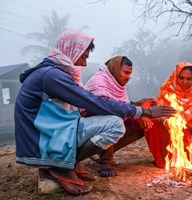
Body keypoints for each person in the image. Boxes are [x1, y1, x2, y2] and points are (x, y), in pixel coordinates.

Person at [14, 30, 176, 195]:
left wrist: (137, 108)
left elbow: (106, 104)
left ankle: (69, 163)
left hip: (57, 128)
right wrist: (145, 111)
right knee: (115, 124)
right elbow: (94, 103)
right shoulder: (52, 75)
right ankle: (61, 167)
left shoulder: (55, 73)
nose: (84, 64)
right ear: (71, 51)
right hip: (42, 137)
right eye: (83, 57)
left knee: (120, 120)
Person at [82, 55, 155, 177]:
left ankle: (101, 150)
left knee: (142, 124)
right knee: (113, 120)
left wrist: (138, 105)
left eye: (130, 74)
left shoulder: (117, 84)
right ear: (115, 69)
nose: (128, 77)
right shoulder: (99, 81)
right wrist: (139, 112)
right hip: (87, 124)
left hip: (108, 120)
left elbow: (121, 105)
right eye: (126, 72)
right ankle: (105, 161)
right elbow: (107, 109)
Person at [144, 61, 192, 168]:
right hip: (168, 127)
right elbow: (159, 111)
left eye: (189, 79)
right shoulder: (166, 88)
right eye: (181, 78)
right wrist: (167, 123)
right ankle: (163, 159)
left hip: (191, 132)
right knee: (152, 122)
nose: (185, 82)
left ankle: (190, 157)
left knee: (187, 143)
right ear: (176, 76)